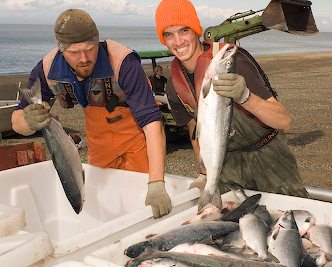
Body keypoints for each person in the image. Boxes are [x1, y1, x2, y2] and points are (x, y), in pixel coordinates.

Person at [11, 9, 172, 219]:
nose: (84, 58)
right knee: (103, 200)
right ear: (60, 49)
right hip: (99, 140)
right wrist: (29, 120)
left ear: (98, 41)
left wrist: (157, 182)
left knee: (139, 196)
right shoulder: (46, 70)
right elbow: (16, 122)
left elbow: (152, 122)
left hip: (135, 138)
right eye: (74, 53)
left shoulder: (123, 62)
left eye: (90, 49)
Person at [154, 0, 309, 200]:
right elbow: (195, 130)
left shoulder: (232, 61)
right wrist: (205, 172)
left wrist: (246, 97)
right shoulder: (174, 85)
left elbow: (284, 120)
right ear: (163, 40)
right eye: (168, 34)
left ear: (196, 31)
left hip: (269, 157)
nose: (178, 41)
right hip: (225, 165)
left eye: (184, 30)